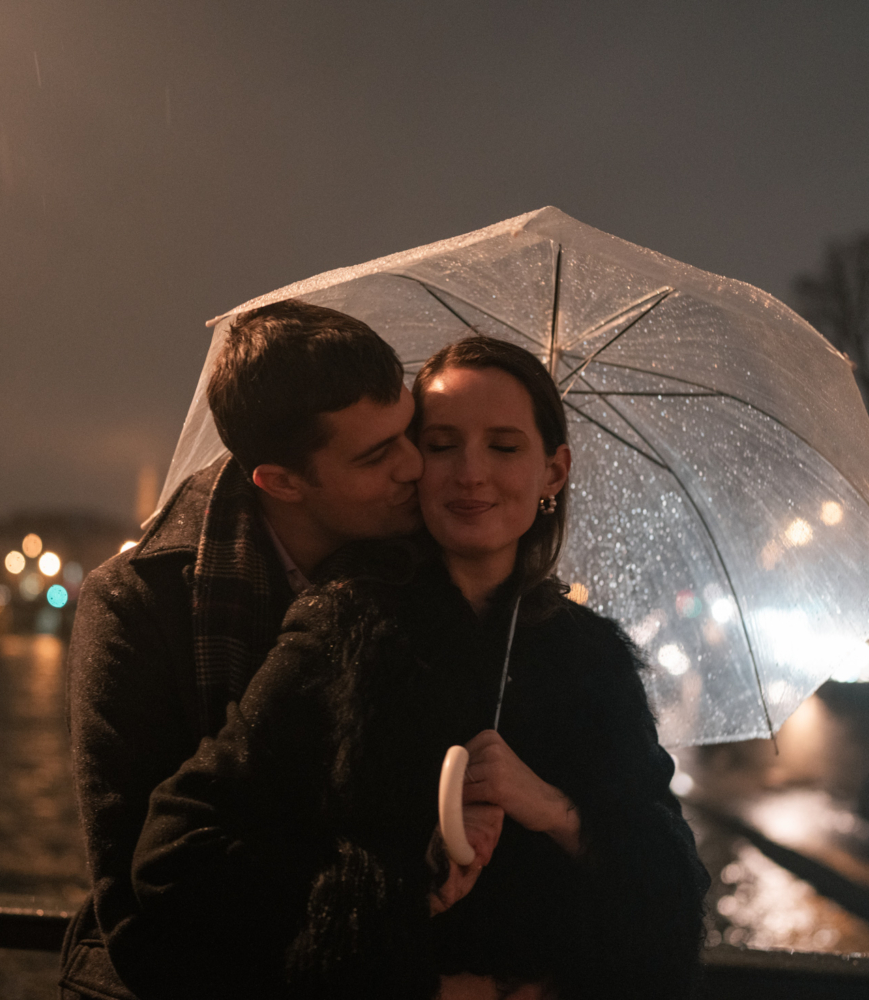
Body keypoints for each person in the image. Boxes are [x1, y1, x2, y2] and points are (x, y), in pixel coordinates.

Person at [131, 336, 710, 999]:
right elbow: (176, 855)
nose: (470, 473)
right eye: (442, 444)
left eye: (504, 445)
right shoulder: (348, 628)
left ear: (553, 473)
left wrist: (551, 809)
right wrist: (402, 899)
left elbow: (674, 893)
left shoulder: (592, 658)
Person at [61, 300, 423, 999]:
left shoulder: (420, 575)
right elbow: (134, 902)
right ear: (281, 481)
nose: (414, 465)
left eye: (410, 429)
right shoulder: (136, 605)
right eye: (377, 455)